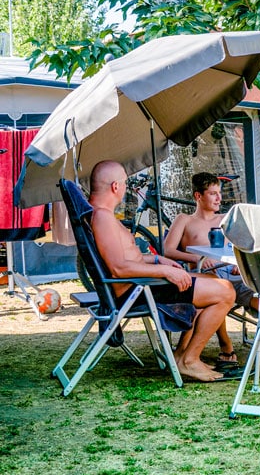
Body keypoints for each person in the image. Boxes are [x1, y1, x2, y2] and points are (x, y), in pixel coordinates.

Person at [89, 160, 237, 382]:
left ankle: (182, 356)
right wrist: (164, 272)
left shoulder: (102, 215)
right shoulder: (102, 217)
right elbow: (119, 268)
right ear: (115, 187)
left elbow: (128, 259)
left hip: (142, 284)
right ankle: (190, 360)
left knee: (212, 280)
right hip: (139, 290)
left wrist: (158, 259)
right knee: (225, 292)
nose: (125, 187)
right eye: (125, 183)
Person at [162, 172, 257, 369]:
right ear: (198, 196)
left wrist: (238, 265)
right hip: (204, 277)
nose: (219, 198)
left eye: (219, 193)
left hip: (233, 274)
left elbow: (242, 248)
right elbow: (167, 250)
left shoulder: (225, 219)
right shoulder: (185, 220)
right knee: (215, 286)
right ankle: (225, 347)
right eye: (213, 193)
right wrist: (196, 258)